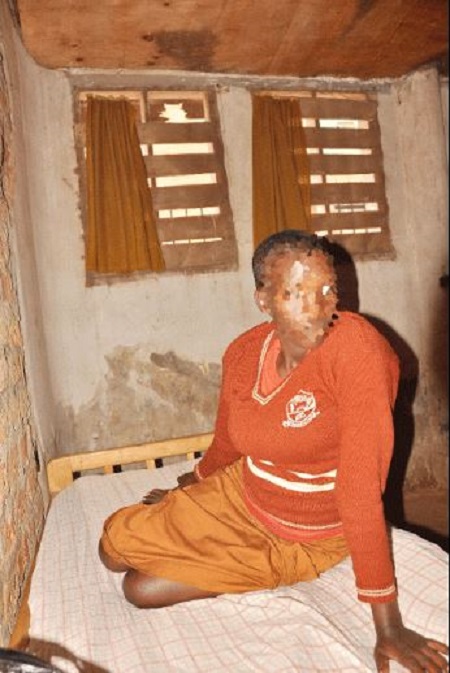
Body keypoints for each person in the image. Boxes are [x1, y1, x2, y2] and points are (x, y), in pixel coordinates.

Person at [99, 230, 449, 673]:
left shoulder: (358, 353)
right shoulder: (243, 354)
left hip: (308, 535)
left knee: (139, 590)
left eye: (328, 291)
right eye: (296, 294)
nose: (318, 309)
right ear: (263, 300)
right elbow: (229, 440)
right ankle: (214, 543)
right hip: (243, 494)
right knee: (112, 548)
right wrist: (191, 484)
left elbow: (360, 491)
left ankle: (255, 566)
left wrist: (388, 626)